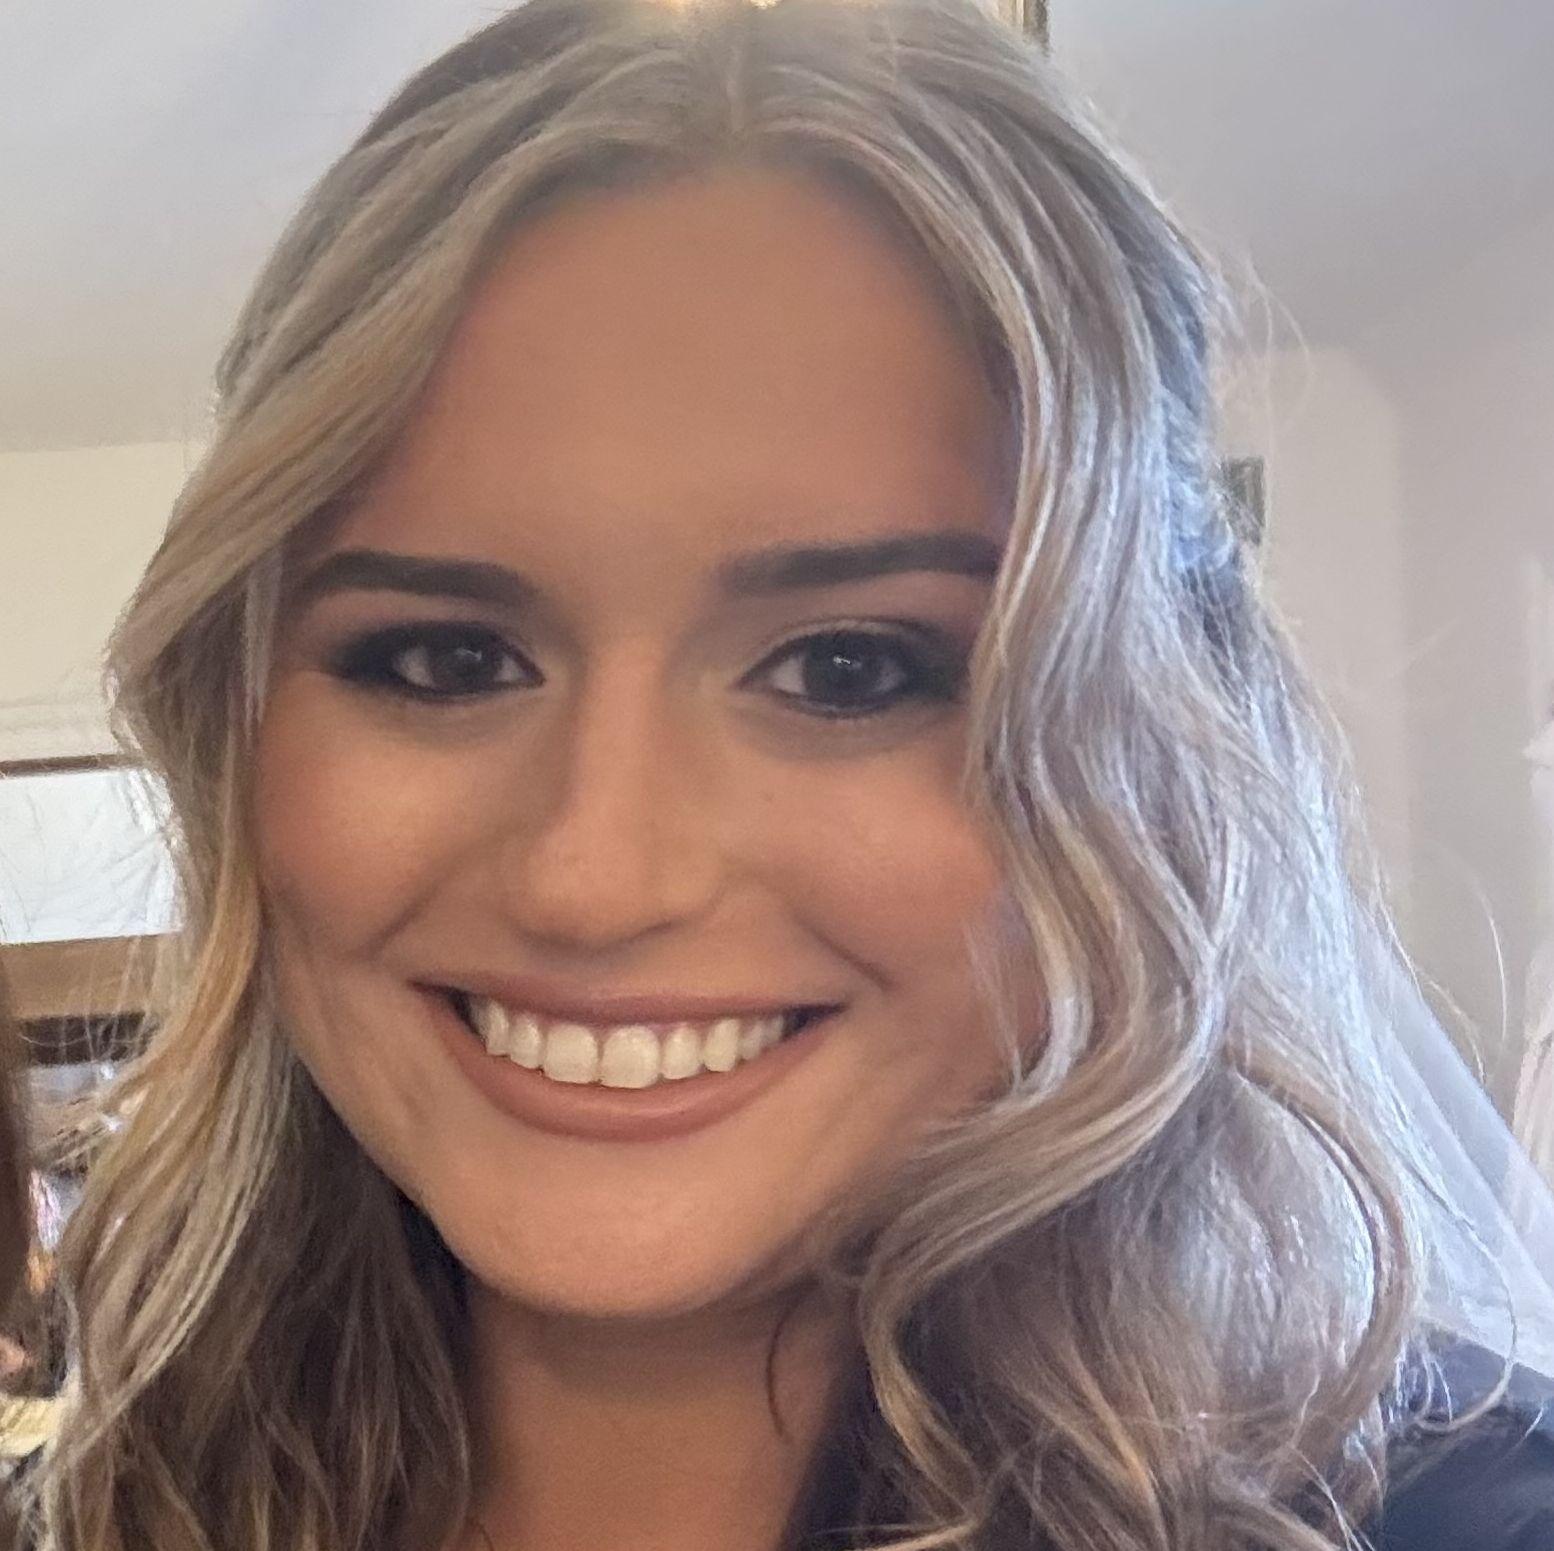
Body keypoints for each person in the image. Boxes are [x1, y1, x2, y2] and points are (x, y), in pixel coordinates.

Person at [23, 1, 1554, 1547]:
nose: (592, 879)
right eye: (447, 659)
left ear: (1149, 752)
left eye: (847, 670)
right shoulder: (114, 1501)